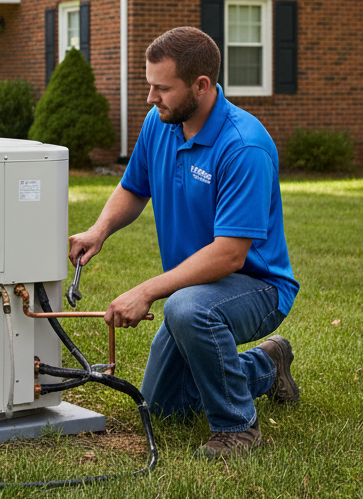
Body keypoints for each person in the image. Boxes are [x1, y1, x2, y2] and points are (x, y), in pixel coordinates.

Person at [68, 26, 300, 458]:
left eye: (162, 88)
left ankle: (236, 427)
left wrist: (147, 290)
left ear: (202, 85)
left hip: (259, 286)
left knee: (186, 308)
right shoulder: (161, 124)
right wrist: (98, 230)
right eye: (148, 86)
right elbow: (135, 188)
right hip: (195, 288)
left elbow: (231, 255)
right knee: (165, 407)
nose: (151, 99)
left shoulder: (243, 146)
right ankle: (267, 366)